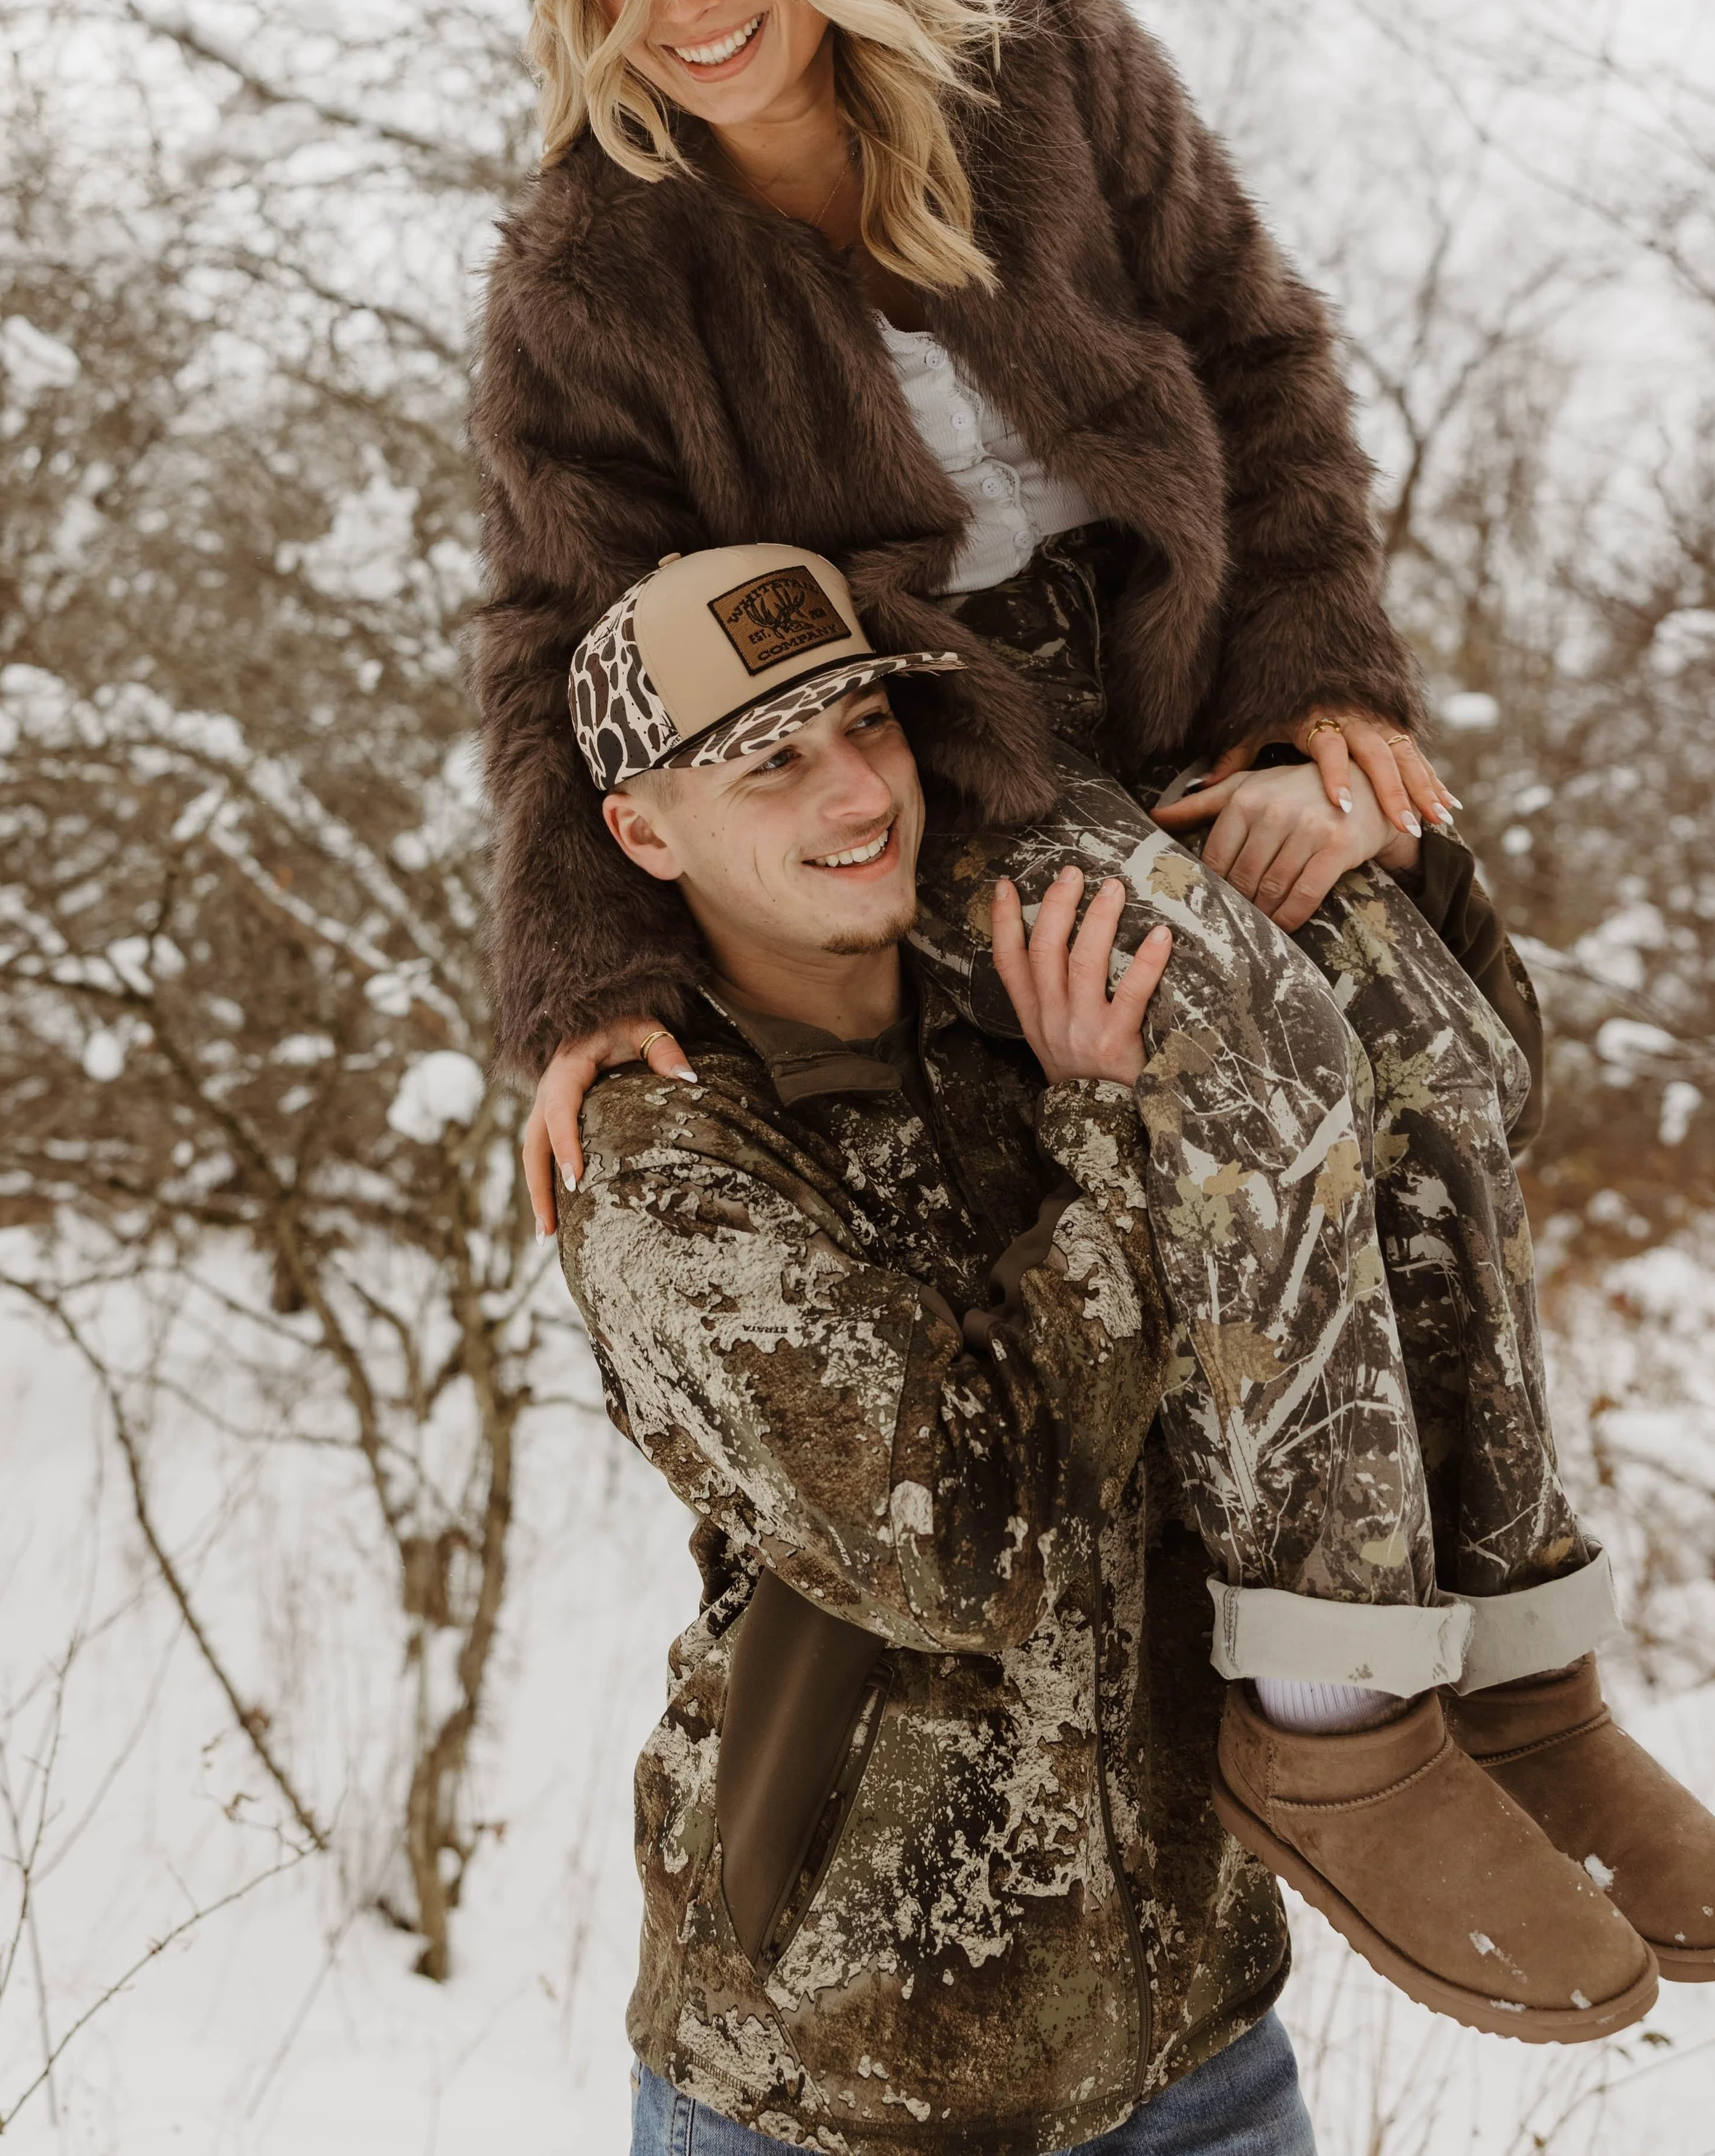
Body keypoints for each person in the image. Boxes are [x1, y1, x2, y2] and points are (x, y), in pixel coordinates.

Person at [552, 546, 1698, 2156]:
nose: (855, 791)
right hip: (853, 2083)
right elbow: (959, 1545)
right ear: (642, 832)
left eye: (868, 725)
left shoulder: (1038, 988)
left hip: (1198, 2046)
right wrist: (1110, 1146)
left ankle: (1504, 1701)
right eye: (771, 763)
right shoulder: (668, 1159)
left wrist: (1360, 854)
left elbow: (1434, 1158)